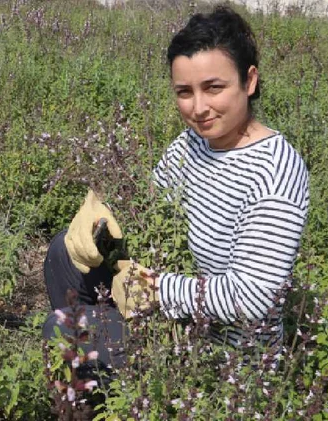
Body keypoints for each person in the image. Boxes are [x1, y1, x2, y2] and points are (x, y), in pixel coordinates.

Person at [42, 4, 310, 380]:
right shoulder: (193, 143)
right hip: (175, 312)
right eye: (184, 92)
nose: (199, 108)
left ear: (249, 81)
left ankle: (107, 387)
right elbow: (149, 204)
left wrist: (155, 290)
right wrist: (103, 219)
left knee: (64, 330)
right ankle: (99, 383)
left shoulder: (276, 170)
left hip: (221, 356)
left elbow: (251, 297)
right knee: (63, 252)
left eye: (214, 88)